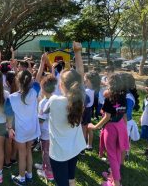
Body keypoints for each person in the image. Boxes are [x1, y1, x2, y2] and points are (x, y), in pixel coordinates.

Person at [45, 42, 86, 186]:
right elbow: (80, 75)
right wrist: (77, 52)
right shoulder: (80, 99)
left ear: (60, 85)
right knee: (71, 178)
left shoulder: (54, 101)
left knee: (62, 183)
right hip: (74, 149)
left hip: (58, 154)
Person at [89, 74, 129, 186]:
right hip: (120, 126)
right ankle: (113, 176)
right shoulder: (123, 97)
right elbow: (124, 115)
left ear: (111, 84)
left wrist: (95, 126)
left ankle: (116, 183)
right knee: (116, 153)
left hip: (111, 128)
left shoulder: (109, 98)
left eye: (107, 81)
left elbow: (107, 117)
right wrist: (124, 130)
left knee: (111, 155)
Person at [5, 70, 41, 186]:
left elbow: (9, 116)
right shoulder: (34, 90)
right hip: (32, 128)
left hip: (21, 130)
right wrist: (42, 62)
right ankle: (29, 175)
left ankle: (21, 179)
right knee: (28, 152)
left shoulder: (11, 98)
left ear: (17, 81)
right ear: (30, 80)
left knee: (22, 154)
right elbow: (38, 78)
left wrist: (10, 128)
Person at [35, 75, 57, 181]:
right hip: (53, 131)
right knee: (49, 151)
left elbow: (41, 119)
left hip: (45, 131)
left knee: (46, 151)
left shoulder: (43, 102)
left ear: (43, 89)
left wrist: (34, 126)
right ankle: (45, 166)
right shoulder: (55, 99)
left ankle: (48, 172)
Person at [83, 71, 101, 152]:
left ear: (88, 81)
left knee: (83, 128)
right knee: (89, 127)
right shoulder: (93, 90)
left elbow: (84, 103)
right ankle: (89, 145)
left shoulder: (86, 91)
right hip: (89, 110)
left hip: (85, 111)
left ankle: (82, 147)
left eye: (84, 80)